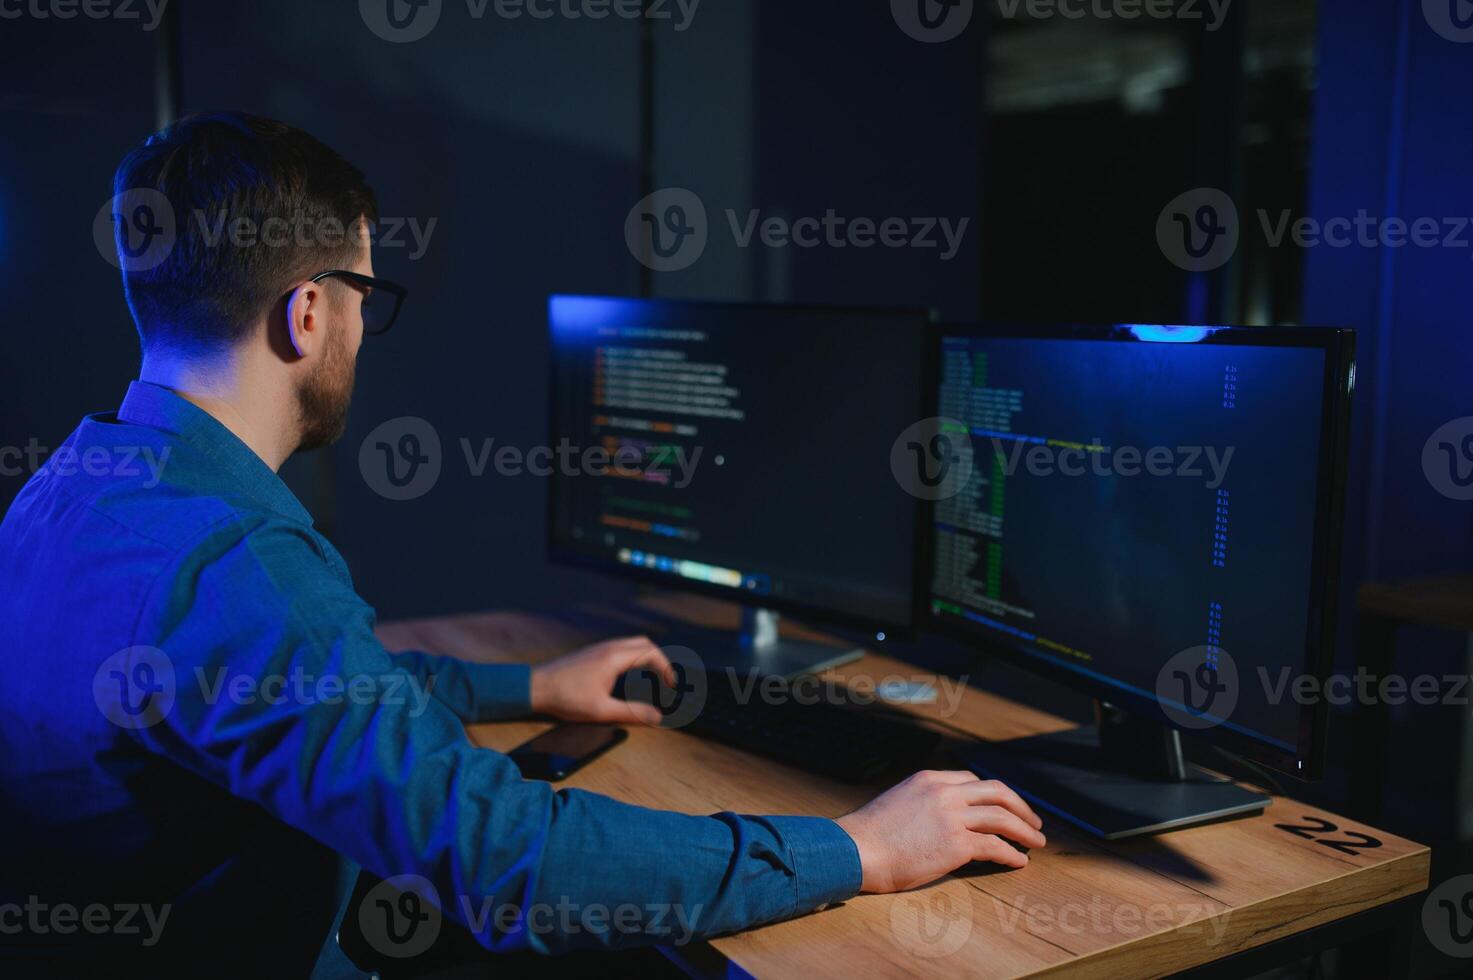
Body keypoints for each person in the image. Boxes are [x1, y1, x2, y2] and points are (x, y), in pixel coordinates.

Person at [0, 112, 1044, 974]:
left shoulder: (70, 491)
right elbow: (511, 862)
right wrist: (858, 845)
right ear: (309, 312)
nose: (366, 328)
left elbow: (292, 691)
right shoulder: (240, 564)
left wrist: (530, 686)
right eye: (367, 295)